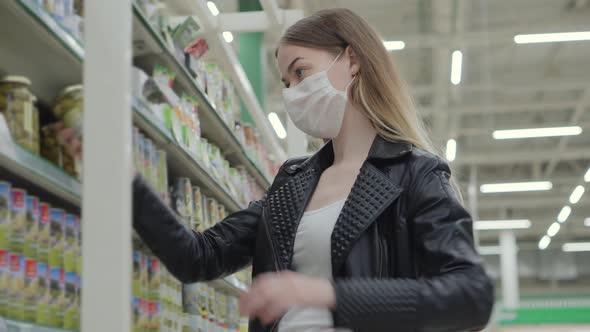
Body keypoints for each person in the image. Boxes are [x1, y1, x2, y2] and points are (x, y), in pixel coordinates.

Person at [66, 8, 494, 332]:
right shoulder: (293, 182)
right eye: (285, 83)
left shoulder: (414, 173)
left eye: (301, 72)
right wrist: (122, 178)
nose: (292, 94)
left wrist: (323, 293)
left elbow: (470, 295)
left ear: (353, 61)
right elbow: (197, 257)